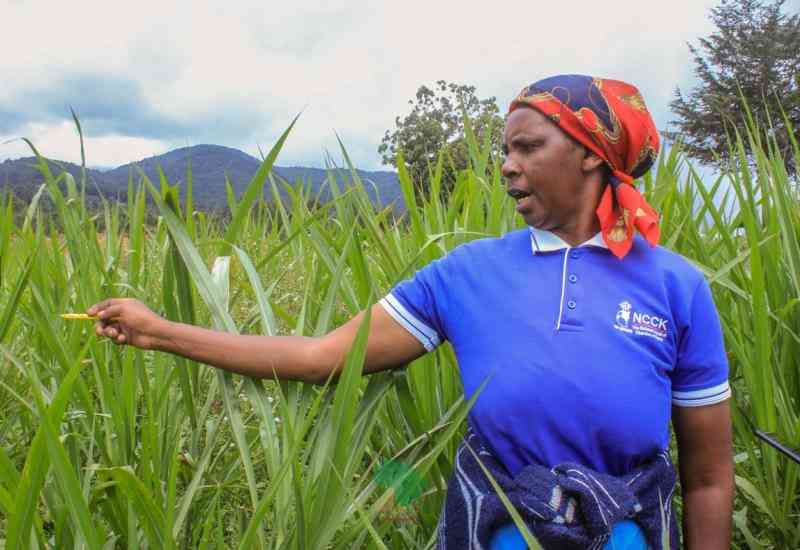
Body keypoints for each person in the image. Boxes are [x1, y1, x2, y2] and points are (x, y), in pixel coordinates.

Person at [88, 74, 734, 549]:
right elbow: (321, 360)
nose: (507, 167)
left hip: (630, 533)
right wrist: (160, 330)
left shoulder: (675, 286)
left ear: (593, 151)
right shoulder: (465, 274)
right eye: (504, 151)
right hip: (501, 528)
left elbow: (708, 476)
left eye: (528, 147)